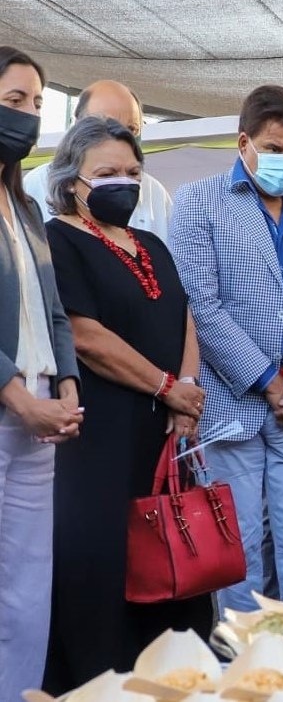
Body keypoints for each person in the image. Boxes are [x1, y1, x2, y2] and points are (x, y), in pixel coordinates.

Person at [170, 86, 283, 611]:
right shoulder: (198, 201)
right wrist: (269, 382)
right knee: (240, 550)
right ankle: (245, 658)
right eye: (275, 149)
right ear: (243, 143)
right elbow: (200, 305)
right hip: (234, 405)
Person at [42, 115, 210, 692]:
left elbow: (184, 317)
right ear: (72, 181)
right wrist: (166, 387)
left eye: (133, 172)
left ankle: (173, 681)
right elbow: (84, 335)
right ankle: (99, 685)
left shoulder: (152, 244)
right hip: (102, 437)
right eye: (108, 172)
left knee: (171, 560)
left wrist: (186, 391)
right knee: (106, 561)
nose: (125, 183)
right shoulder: (57, 240)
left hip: (164, 433)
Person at [0, 46, 82, 701]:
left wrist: (66, 386)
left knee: (29, 585)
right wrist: (15, 395)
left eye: (34, 102)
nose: (27, 115)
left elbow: (54, 309)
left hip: (41, 407)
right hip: (9, 403)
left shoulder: (24, 205)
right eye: (13, 100)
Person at [24, 80, 173, 241]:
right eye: (103, 125)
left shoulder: (155, 194)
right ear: (77, 126)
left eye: (131, 129)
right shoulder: (34, 185)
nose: (119, 136)